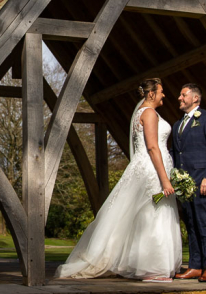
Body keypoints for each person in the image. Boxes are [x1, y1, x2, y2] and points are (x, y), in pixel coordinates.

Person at [54, 78, 182, 281]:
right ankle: (152, 268)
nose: (164, 95)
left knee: (146, 214)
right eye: (161, 91)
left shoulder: (143, 112)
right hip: (153, 171)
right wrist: (165, 180)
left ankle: (143, 264)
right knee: (153, 215)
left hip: (148, 168)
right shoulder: (148, 113)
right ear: (151, 94)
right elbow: (152, 147)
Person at [171, 83, 206, 283]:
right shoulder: (177, 125)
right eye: (180, 94)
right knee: (192, 224)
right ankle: (195, 266)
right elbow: (178, 154)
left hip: (204, 181)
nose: (179, 98)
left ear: (195, 98)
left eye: (183, 94)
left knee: (205, 223)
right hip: (185, 184)